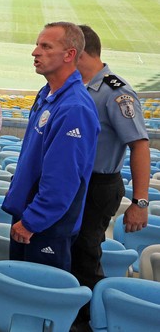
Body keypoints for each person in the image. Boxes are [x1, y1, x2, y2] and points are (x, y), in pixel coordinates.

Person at [2, 22, 99, 272]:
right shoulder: (48, 94)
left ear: (69, 55)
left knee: (35, 301)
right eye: (37, 45)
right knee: (20, 291)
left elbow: (63, 179)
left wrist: (33, 221)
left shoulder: (74, 108)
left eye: (46, 46)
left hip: (46, 227)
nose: (35, 52)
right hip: (30, 216)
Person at [70, 24, 150, 329]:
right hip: (75, 182)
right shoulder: (78, 85)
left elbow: (139, 145)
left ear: (75, 51)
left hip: (99, 184)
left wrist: (140, 201)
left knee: (86, 251)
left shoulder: (117, 92)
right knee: (71, 248)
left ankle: (87, 319)